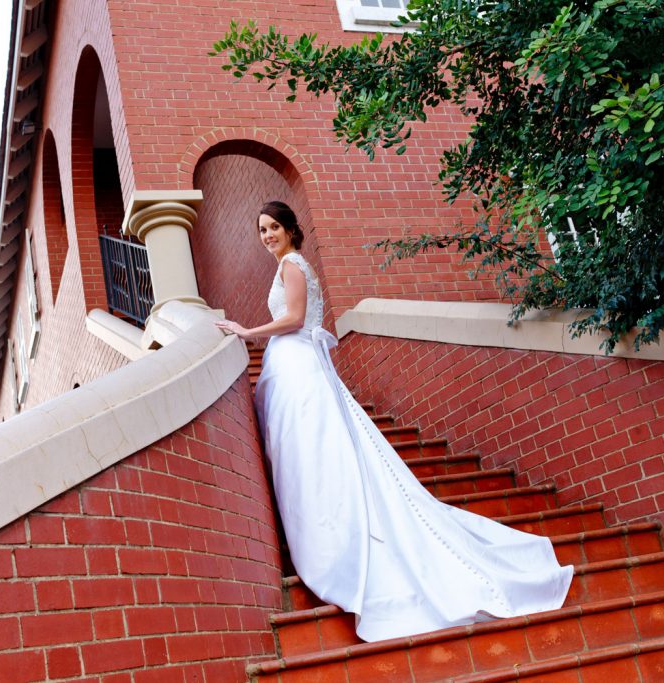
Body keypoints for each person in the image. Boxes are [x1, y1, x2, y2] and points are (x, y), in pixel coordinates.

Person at [215, 201, 573, 643]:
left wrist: (247, 333)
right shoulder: (291, 264)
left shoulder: (291, 265)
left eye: (273, 227)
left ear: (290, 230)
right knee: (309, 453)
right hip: (295, 365)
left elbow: (292, 318)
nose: (267, 235)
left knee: (315, 451)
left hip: (299, 366)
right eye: (262, 229)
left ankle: (338, 548)